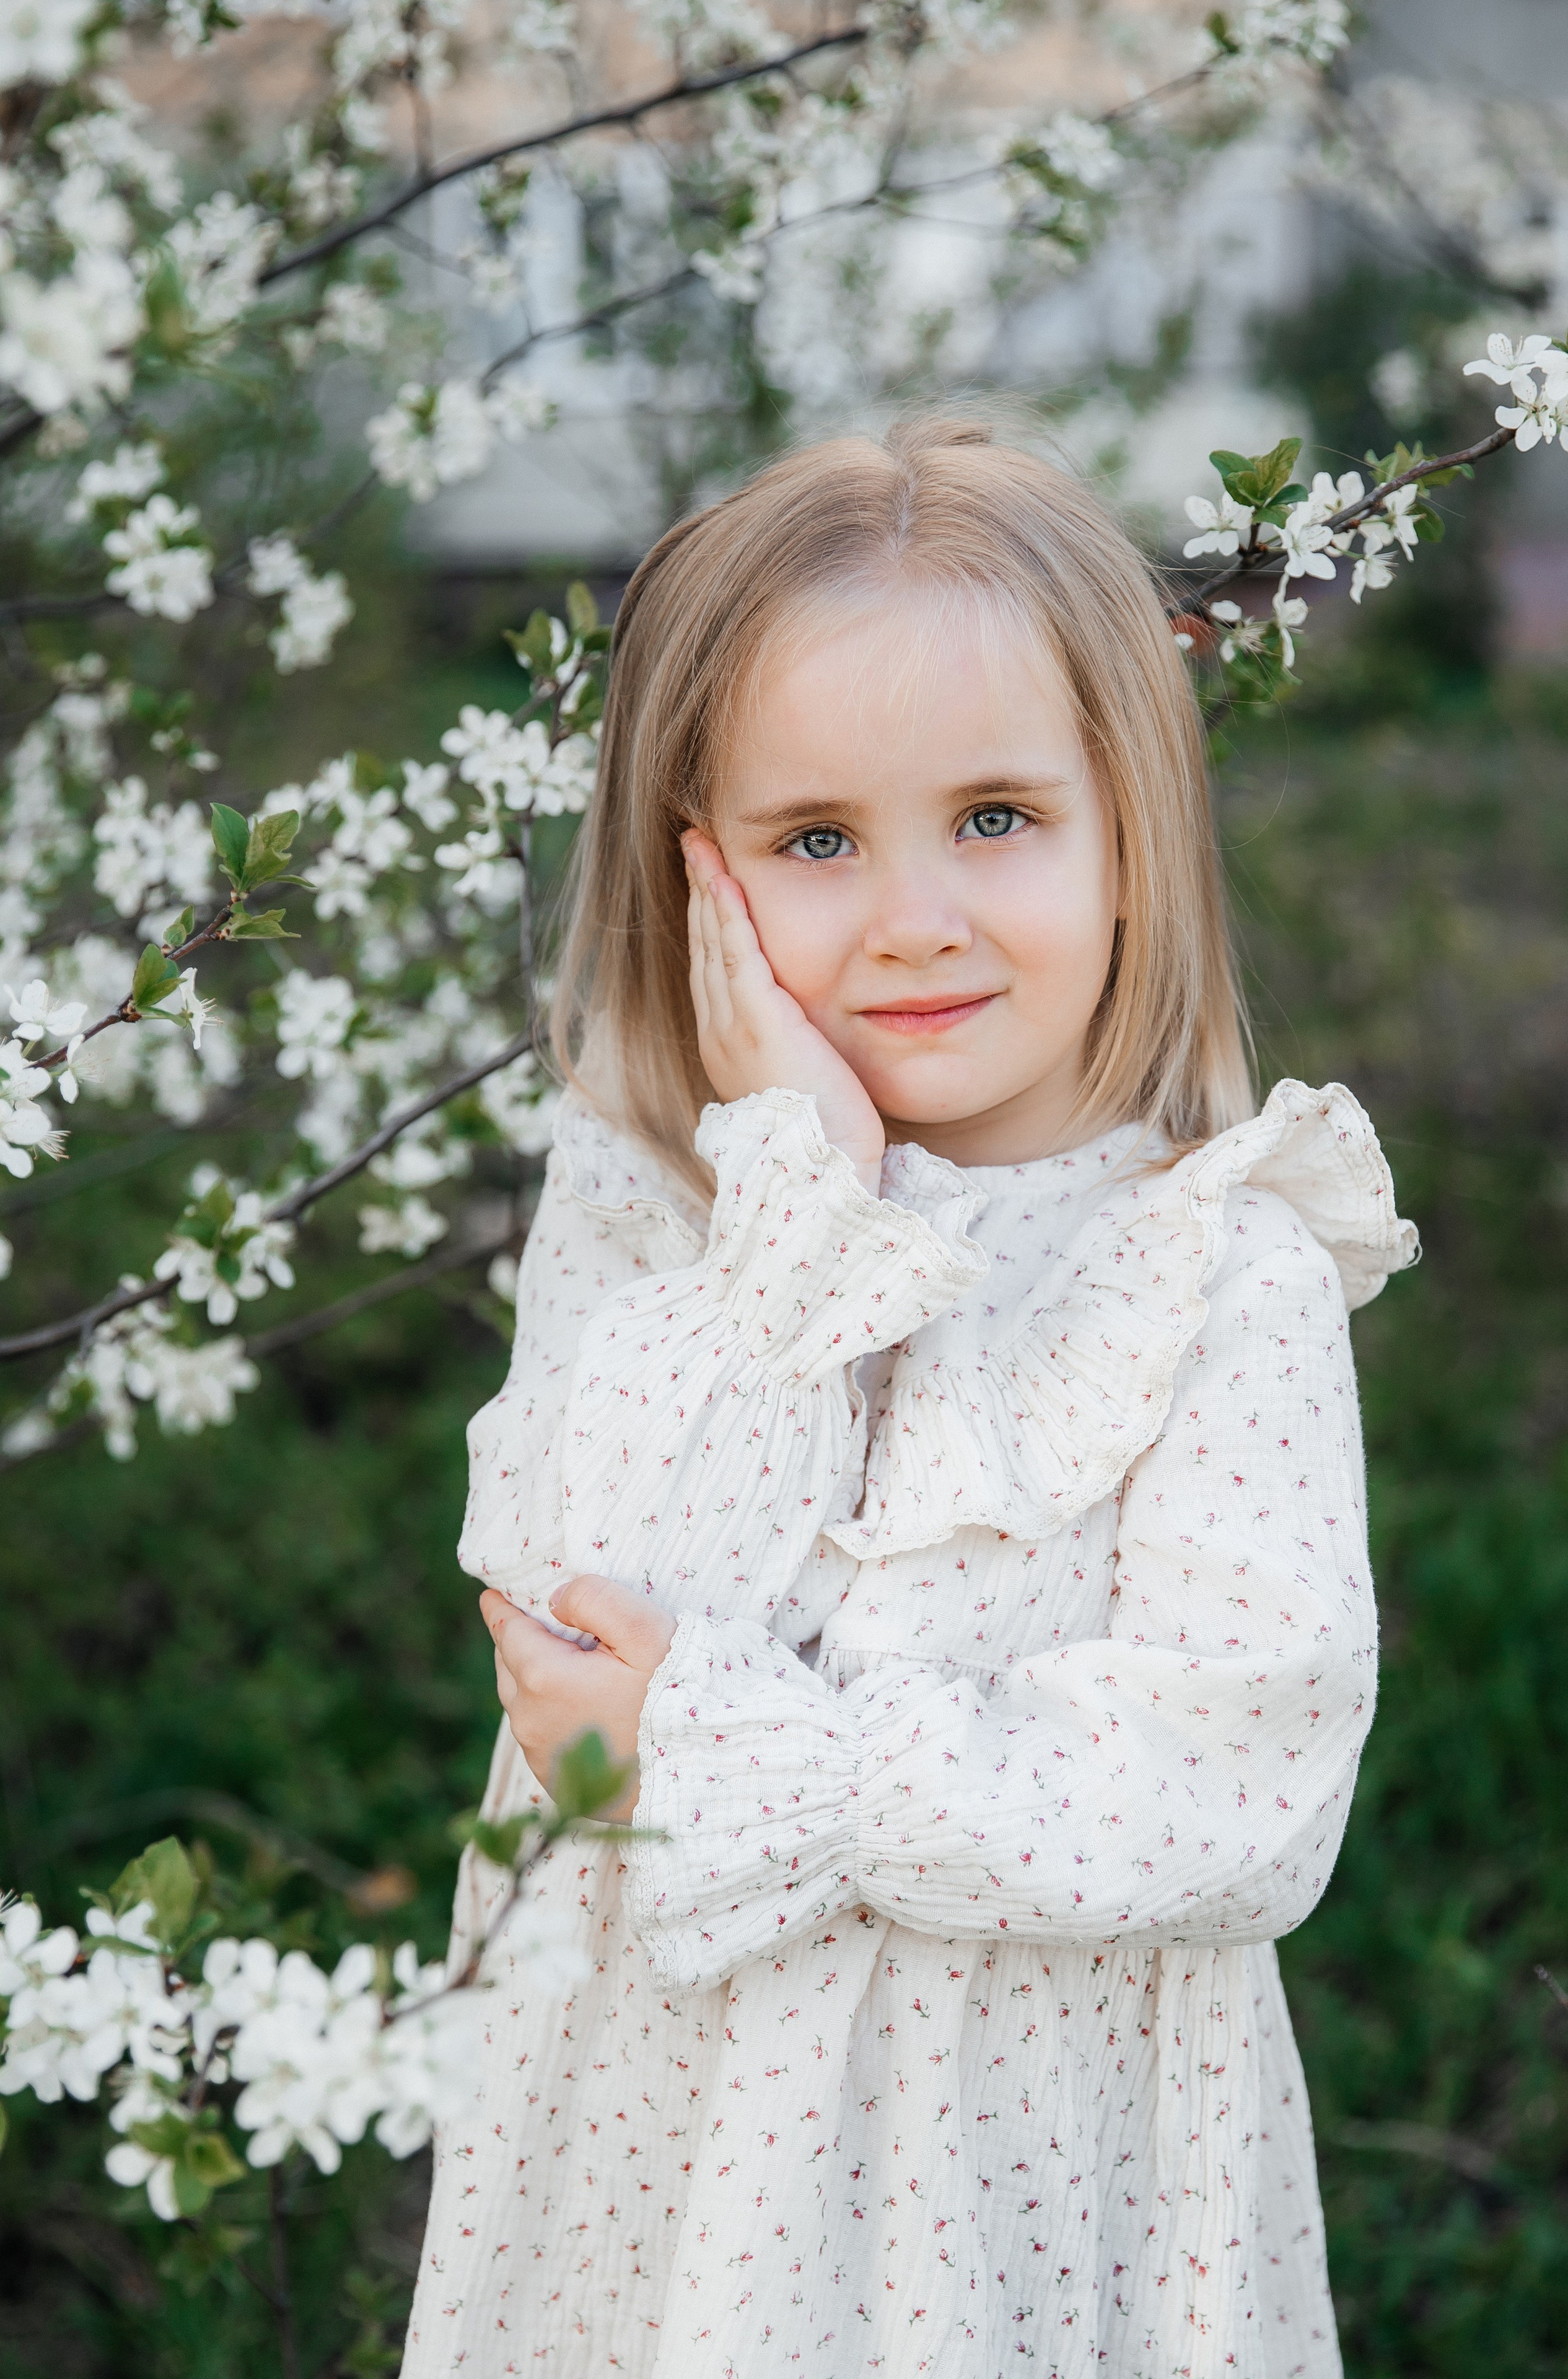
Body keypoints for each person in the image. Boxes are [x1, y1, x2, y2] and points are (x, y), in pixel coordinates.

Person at [401, 419, 1418, 2379]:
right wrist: (799, 1195)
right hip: (669, 2177)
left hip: (1022, 2188)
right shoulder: (658, 1215)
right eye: (814, 843)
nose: (913, 917)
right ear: (696, 879)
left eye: (996, 819)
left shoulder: (1219, 1269)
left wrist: (764, 1760)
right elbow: (569, 1654)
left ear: (1131, 831)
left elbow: (1233, 1790)